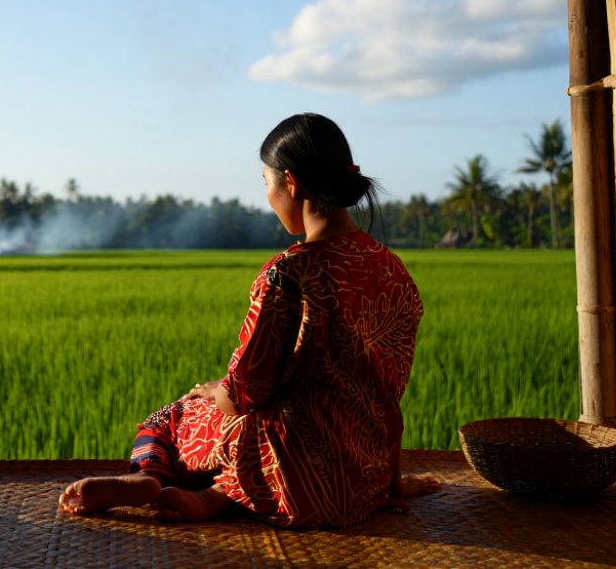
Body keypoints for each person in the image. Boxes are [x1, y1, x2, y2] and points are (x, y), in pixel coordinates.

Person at [58, 113, 440, 528]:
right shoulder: (393, 270)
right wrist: (392, 482)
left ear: (290, 182)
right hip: (363, 482)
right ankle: (219, 497)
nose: (269, 197)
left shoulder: (288, 274)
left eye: (266, 182)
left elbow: (244, 393)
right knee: (286, 412)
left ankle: (147, 477)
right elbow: (386, 392)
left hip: (293, 478)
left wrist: (212, 391)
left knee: (171, 415)